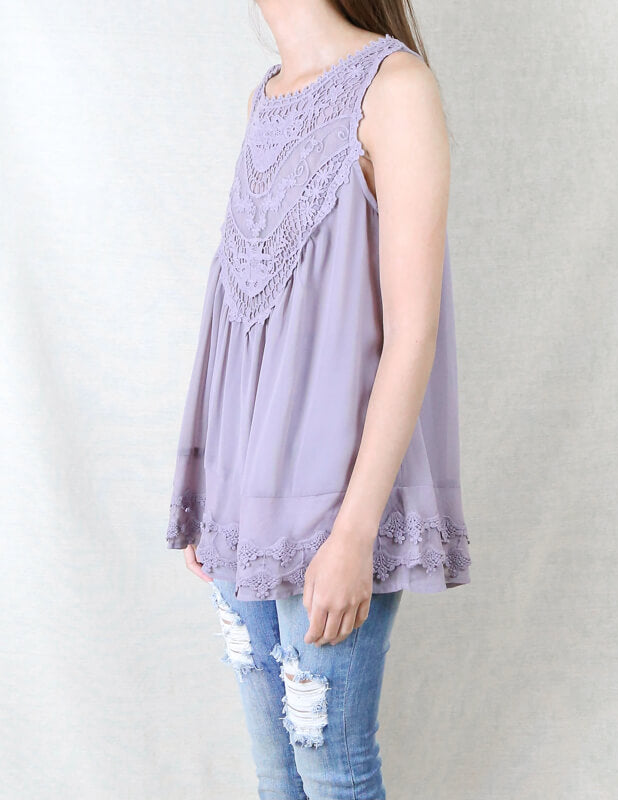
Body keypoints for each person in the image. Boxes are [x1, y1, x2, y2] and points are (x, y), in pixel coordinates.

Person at [165, 1, 471, 797]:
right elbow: (244, 320)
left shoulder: (395, 88)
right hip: (244, 501)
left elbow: (412, 334)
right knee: (278, 775)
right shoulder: (266, 97)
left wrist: (354, 536)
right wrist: (212, 493)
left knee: (332, 769)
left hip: (338, 503)